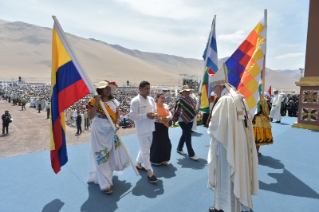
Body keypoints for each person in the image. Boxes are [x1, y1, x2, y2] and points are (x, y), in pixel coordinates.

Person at [207, 63, 259, 212]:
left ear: (218, 86)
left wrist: (210, 127)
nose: (213, 92)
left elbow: (215, 128)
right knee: (238, 172)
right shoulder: (238, 97)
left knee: (225, 174)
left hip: (227, 146)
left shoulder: (224, 100)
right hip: (239, 144)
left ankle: (225, 207)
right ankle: (241, 205)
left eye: (213, 88)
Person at [86, 80, 130, 193]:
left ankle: (106, 177)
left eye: (109, 88)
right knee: (101, 154)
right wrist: (96, 103)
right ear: (100, 90)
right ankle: (105, 184)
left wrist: (117, 123)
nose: (108, 90)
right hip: (99, 131)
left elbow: (117, 113)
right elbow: (90, 116)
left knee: (110, 155)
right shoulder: (93, 101)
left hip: (111, 131)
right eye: (106, 88)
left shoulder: (114, 102)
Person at [129, 80, 158, 183]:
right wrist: (146, 116)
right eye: (146, 89)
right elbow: (132, 116)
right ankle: (150, 172)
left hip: (150, 128)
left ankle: (138, 164)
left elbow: (155, 112)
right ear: (140, 89)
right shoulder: (135, 101)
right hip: (141, 130)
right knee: (146, 151)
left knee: (145, 148)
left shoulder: (151, 100)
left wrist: (155, 116)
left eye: (149, 88)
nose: (148, 91)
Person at [172, 85, 199, 160]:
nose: (187, 92)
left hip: (190, 119)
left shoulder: (192, 99)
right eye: (185, 91)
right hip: (183, 120)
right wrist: (193, 112)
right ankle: (191, 154)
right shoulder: (180, 100)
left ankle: (179, 148)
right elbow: (181, 111)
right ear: (182, 92)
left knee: (184, 134)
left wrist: (196, 110)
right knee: (188, 136)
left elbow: (196, 105)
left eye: (188, 91)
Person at [150, 93, 172, 166]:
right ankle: (155, 160)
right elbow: (153, 117)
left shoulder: (166, 106)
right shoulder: (154, 107)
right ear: (157, 98)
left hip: (164, 127)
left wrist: (168, 118)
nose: (163, 99)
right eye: (161, 98)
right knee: (157, 144)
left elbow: (170, 114)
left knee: (166, 144)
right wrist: (162, 119)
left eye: (164, 98)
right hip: (157, 127)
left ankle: (164, 159)